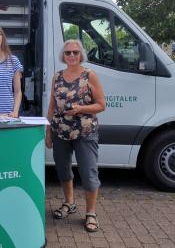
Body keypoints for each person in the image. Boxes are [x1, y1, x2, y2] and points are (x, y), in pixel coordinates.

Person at [46, 39, 106, 233]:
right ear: (63, 56)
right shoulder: (57, 76)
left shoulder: (90, 76)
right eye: (67, 53)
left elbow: (101, 105)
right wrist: (49, 132)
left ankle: (91, 213)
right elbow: (52, 107)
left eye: (75, 52)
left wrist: (82, 109)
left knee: (89, 172)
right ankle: (69, 203)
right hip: (60, 131)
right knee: (63, 170)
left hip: (85, 132)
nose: (71, 56)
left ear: (81, 55)